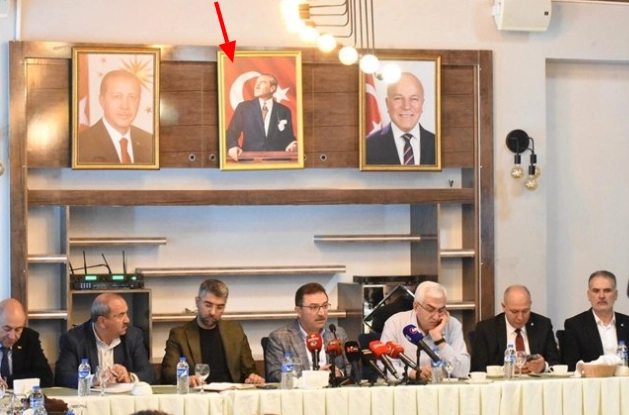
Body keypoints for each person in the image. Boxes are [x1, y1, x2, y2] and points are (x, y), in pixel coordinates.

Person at [160, 279, 264, 385]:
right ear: (197, 302)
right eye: (208, 305)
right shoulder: (179, 335)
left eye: (220, 307)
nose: (213, 312)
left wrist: (252, 377)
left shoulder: (235, 331)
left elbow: (249, 370)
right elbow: (169, 373)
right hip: (198, 392)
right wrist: (186, 379)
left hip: (231, 392)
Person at [54, 293, 154, 388]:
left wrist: (129, 377)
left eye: (126, 313)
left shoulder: (133, 336)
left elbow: (148, 374)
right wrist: (93, 379)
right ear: (102, 322)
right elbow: (63, 377)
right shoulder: (74, 339)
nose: (127, 320)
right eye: (121, 315)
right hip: (90, 398)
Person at [380, 281, 470, 382]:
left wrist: (438, 338)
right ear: (416, 307)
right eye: (430, 309)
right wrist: (414, 373)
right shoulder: (395, 324)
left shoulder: (452, 325)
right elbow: (385, 367)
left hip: (443, 388)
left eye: (441, 310)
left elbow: (463, 371)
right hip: (407, 388)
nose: (436, 317)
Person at [265, 282, 350, 383]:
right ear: (298, 311)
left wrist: (340, 373)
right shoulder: (280, 338)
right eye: (314, 307)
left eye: (325, 306)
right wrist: (312, 377)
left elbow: (351, 367)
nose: (322, 313)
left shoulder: (337, 333)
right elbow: (275, 375)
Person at [470, 285, 561, 373]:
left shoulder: (543, 325)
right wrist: (506, 370)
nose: (520, 317)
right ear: (504, 307)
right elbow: (478, 369)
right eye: (514, 311)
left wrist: (544, 366)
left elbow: (556, 363)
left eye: (525, 311)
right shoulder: (487, 329)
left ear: (530, 305)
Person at [77, 69, 154, 165]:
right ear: (102, 101)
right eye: (117, 96)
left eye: (132, 97)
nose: (125, 106)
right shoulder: (81, 145)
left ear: (139, 101)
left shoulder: (151, 142)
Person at [561, 270, 629, 371]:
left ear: (616, 295)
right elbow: (571, 366)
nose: (601, 296)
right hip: (590, 379)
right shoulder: (575, 326)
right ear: (588, 295)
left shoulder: (627, 323)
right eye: (596, 291)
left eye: (607, 290)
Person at [365, 72, 436, 166]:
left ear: (422, 104)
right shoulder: (368, 146)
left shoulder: (437, 143)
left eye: (414, 99)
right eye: (398, 98)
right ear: (387, 104)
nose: (406, 106)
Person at [226, 73, 297, 162]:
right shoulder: (244, 108)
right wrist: (232, 146)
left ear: (272, 88)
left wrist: (292, 144)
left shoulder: (284, 110)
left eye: (262, 82)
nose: (256, 86)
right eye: (256, 83)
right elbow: (232, 132)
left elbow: (288, 137)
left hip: (277, 162)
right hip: (250, 161)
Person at [0, 298, 53, 388]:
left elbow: (46, 378)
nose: (12, 336)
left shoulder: (29, 338)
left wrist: (6, 381)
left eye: (18, 330)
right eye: (7, 329)